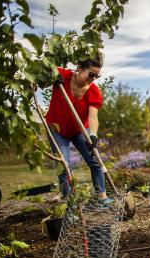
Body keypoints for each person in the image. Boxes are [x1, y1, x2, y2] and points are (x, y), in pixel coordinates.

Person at [45, 53, 112, 204]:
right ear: (80, 68)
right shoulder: (61, 76)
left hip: (78, 130)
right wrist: (51, 78)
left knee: (95, 160)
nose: (92, 79)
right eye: (91, 74)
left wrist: (93, 135)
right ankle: (68, 202)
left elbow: (93, 116)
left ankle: (101, 196)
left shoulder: (93, 91)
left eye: (96, 76)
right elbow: (42, 70)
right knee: (64, 166)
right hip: (57, 130)